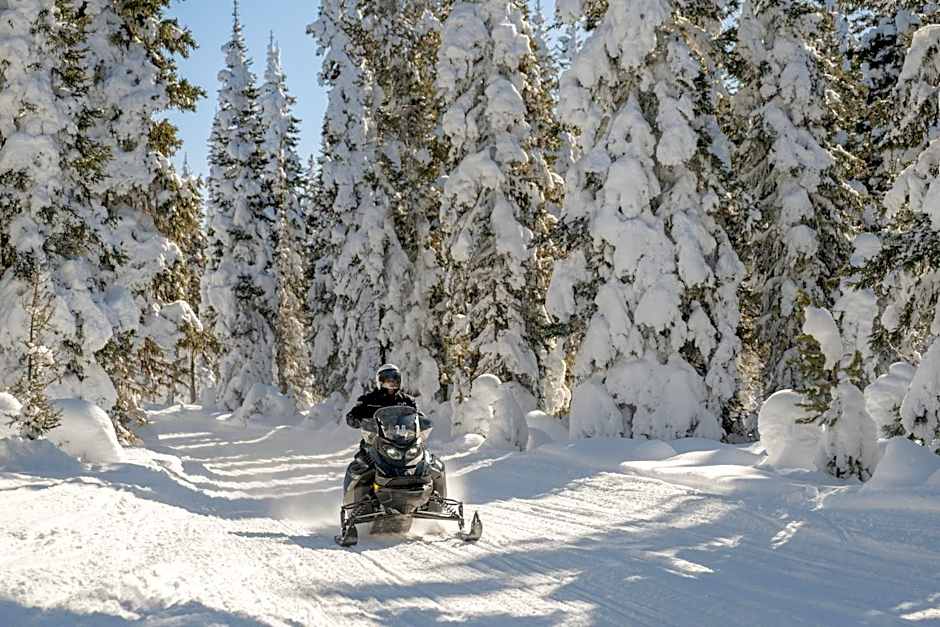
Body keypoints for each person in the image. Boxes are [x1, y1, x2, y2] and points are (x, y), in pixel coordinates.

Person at [343, 364, 418, 503]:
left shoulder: (407, 401)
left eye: (395, 379)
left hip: (402, 443)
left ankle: (433, 498)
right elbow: (352, 415)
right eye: (388, 379)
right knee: (360, 467)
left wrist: (422, 423)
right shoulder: (369, 400)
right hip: (374, 444)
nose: (392, 382)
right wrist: (355, 419)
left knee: (428, 462)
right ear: (380, 381)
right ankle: (354, 504)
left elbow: (417, 417)